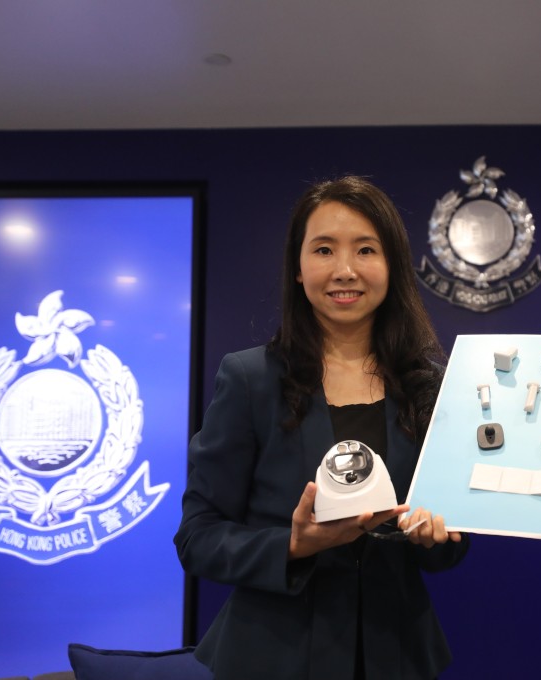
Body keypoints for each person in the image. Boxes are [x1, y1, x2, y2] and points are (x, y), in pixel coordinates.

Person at [175, 176, 468, 679]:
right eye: (324, 250)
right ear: (298, 267)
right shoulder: (250, 380)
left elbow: (450, 544)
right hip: (270, 658)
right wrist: (294, 545)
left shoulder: (433, 386)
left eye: (366, 250)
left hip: (395, 652)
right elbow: (197, 537)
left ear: (391, 264)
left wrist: (438, 538)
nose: (345, 270)